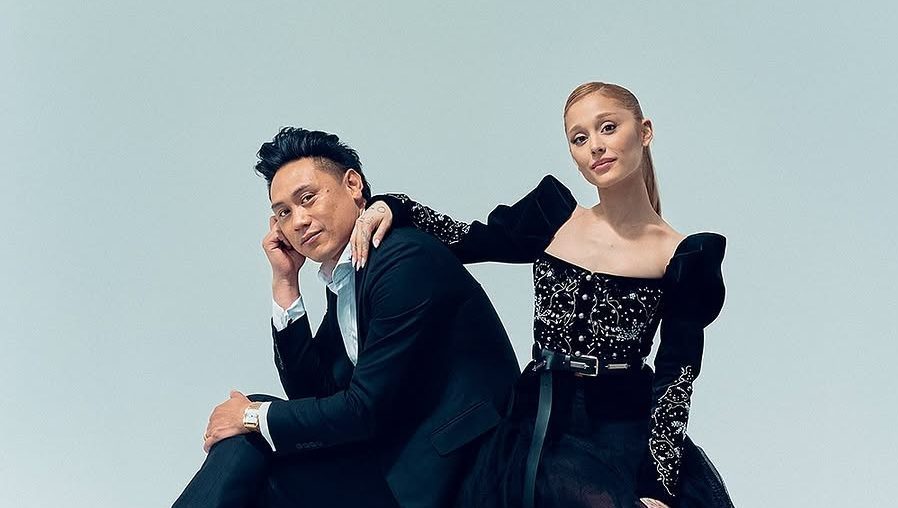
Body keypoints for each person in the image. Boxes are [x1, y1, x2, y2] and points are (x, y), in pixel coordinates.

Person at [353, 82, 735, 508]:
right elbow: (465, 239)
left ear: (644, 131)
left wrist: (656, 487)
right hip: (539, 420)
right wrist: (393, 206)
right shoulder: (553, 217)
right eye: (579, 138)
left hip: (621, 426)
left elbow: (676, 380)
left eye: (608, 127)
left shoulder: (683, 256)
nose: (595, 146)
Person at [173, 127, 520, 508]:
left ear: (353, 185)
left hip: (451, 476)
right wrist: (286, 282)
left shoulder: (404, 261)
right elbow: (313, 396)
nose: (298, 221)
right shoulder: (350, 274)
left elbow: (361, 410)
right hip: (389, 466)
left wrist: (251, 416)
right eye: (283, 213)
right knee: (254, 455)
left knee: (253, 432)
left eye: (307, 198)